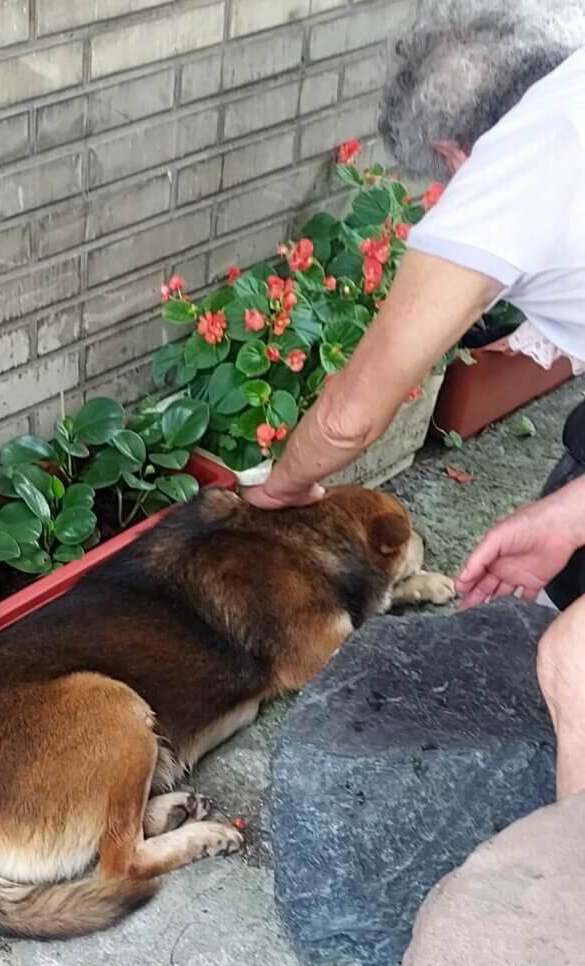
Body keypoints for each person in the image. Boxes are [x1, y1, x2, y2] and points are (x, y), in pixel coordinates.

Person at [244, 4, 585, 959]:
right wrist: (570, 508)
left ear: (450, 150)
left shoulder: (506, 177)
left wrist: (280, 486)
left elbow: (356, 412)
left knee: (572, 659)